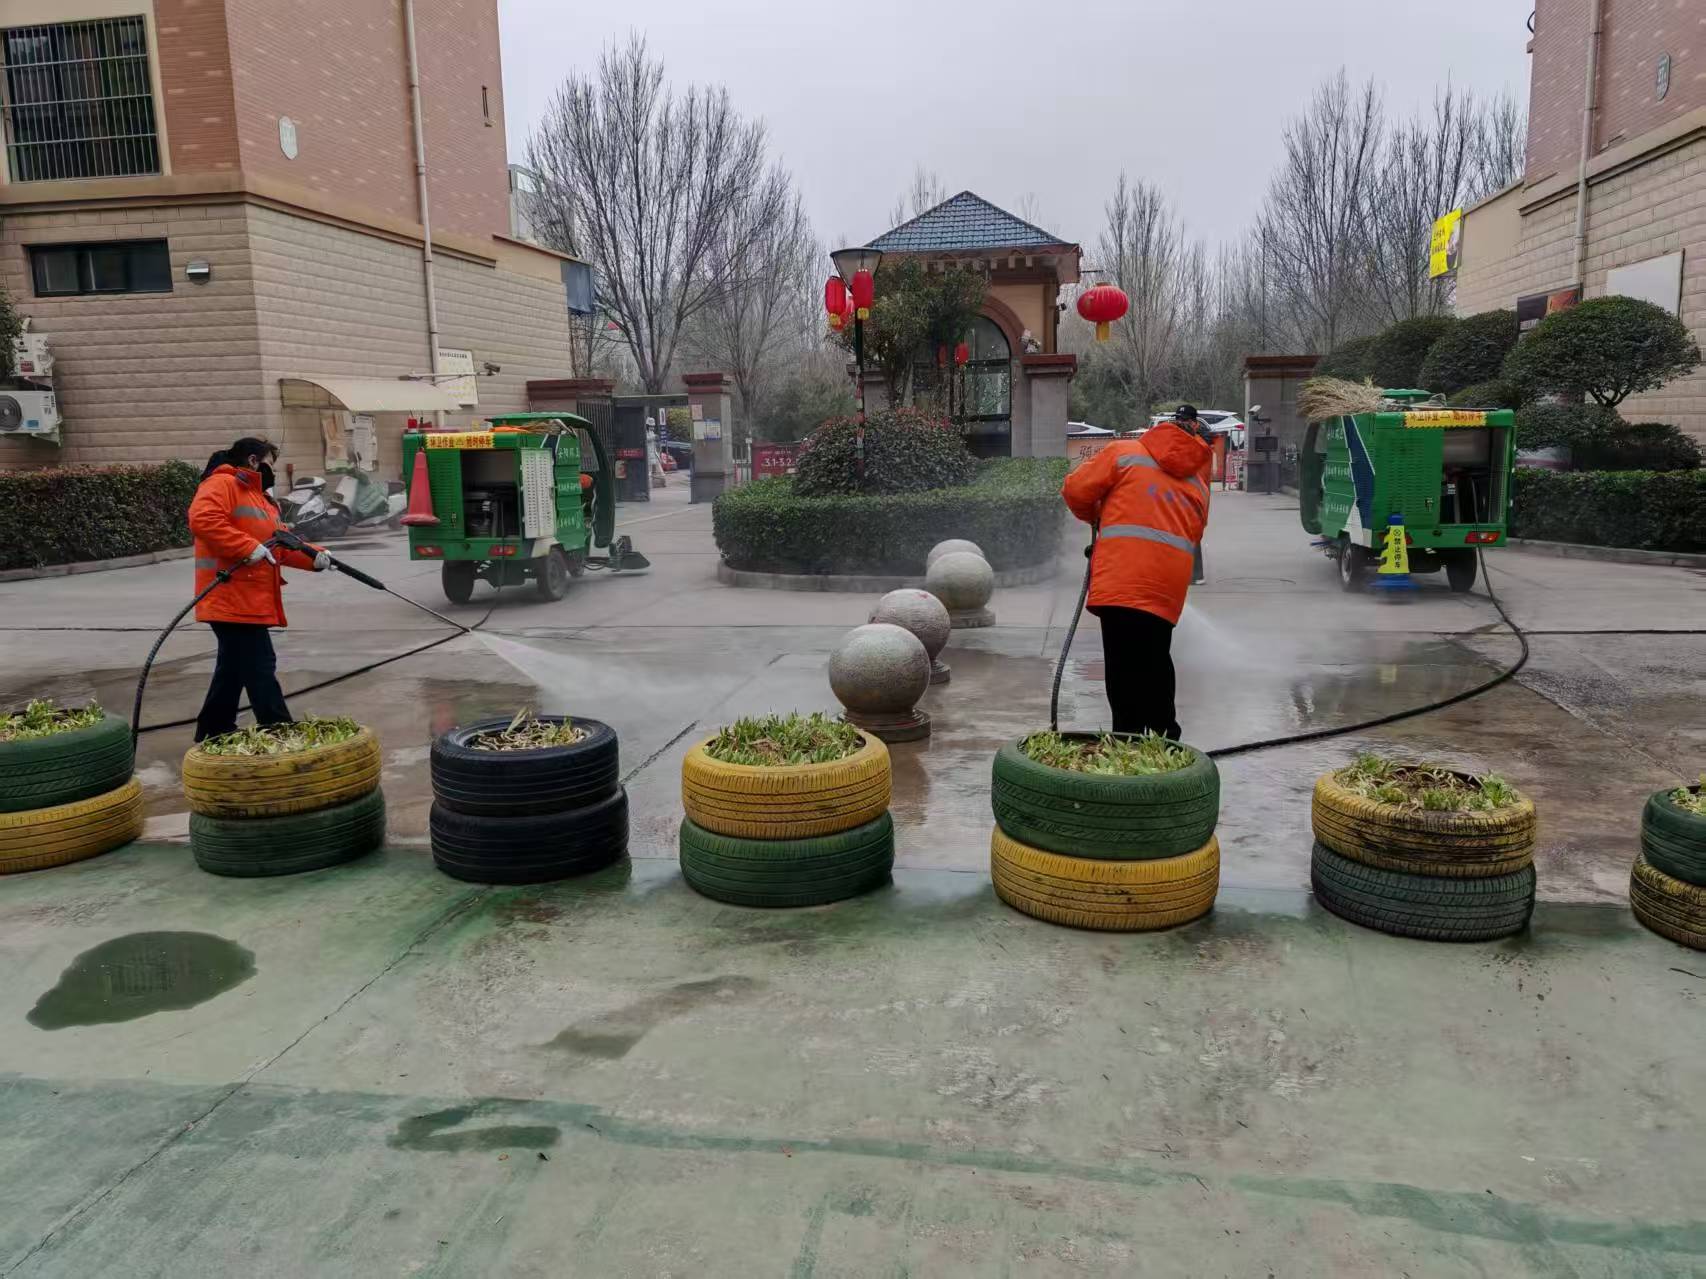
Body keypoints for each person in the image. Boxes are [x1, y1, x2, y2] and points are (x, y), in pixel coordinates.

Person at [1062, 404, 1214, 740]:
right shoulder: (1199, 485)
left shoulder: (1123, 453)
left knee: (1123, 668)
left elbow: (1075, 490)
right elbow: (1194, 534)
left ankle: (1127, 742)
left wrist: (1097, 516)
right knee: (1155, 661)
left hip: (1121, 580)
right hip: (1166, 589)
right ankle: (1165, 742)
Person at [189, 437, 329, 741]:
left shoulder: (260, 499)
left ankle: (214, 728)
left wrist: (314, 556)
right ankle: (280, 730)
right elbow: (203, 519)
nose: (272, 471)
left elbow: (279, 543)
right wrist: (245, 547)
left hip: (247, 598)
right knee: (259, 665)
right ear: (253, 460)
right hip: (228, 595)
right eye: (269, 464)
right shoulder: (222, 484)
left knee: (233, 668)